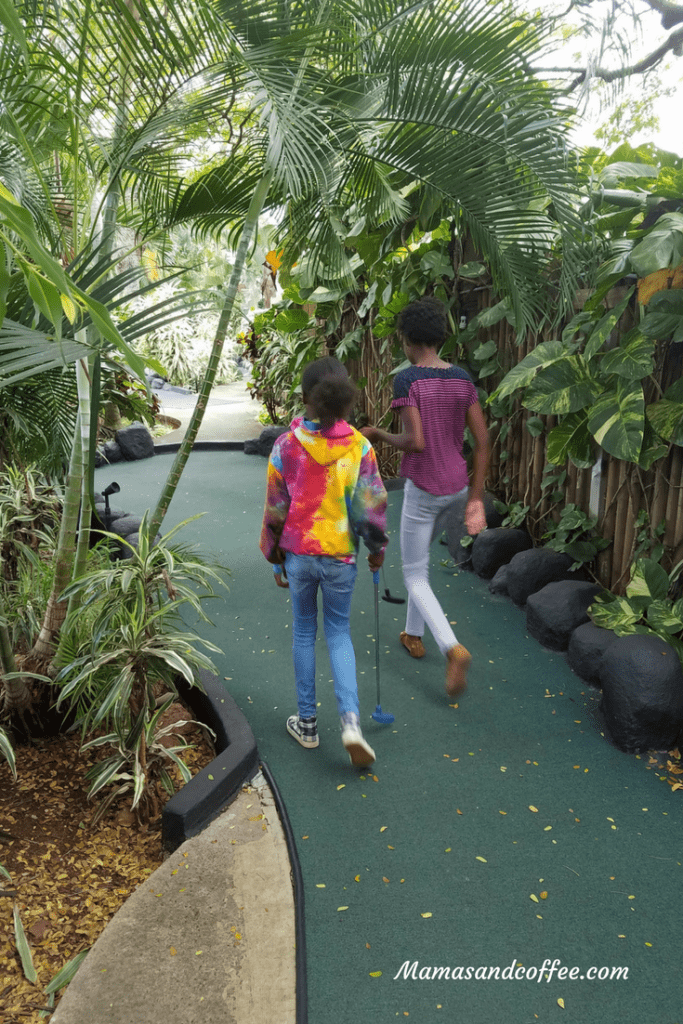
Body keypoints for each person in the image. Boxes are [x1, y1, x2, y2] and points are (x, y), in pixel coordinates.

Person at [259, 356, 388, 768]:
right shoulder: (359, 446)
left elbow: (275, 509)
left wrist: (275, 558)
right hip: (340, 558)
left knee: (303, 632)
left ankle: (308, 724)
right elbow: (370, 509)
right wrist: (377, 549)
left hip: (299, 556)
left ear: (304, 398)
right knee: (338, 633)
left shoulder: (286, 446)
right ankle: (351, 723)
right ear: (345, 400)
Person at [361, 296, 489, 698]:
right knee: (423, 562)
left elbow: (414, 442)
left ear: (405, 339)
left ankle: (452, 648)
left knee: (414, 573)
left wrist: (380, 435)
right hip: (456, 487)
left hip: (424, 488)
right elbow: (482, 443)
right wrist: (476, 499)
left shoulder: (407, 380)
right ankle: (412, 635)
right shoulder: (463, 379)